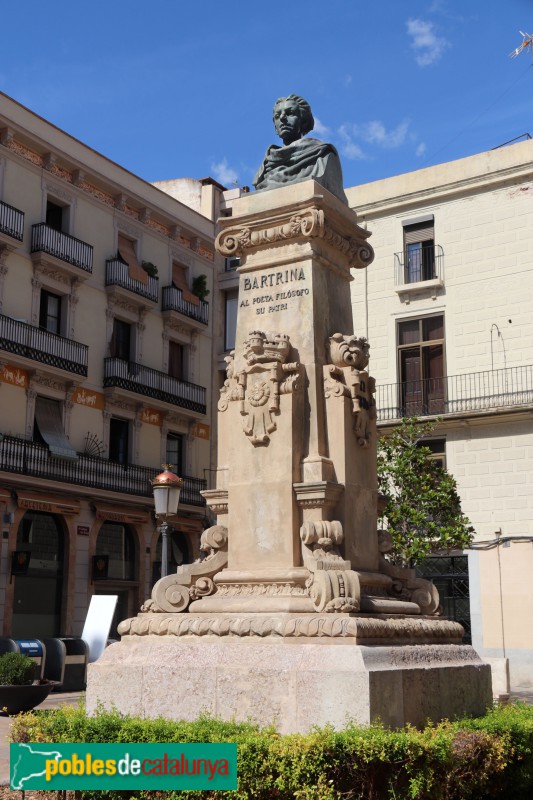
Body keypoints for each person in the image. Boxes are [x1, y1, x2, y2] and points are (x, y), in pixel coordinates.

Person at [253, 95, 348, 204]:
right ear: (275, 127)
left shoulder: (323, 155)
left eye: (290, 113)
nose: (282, 118)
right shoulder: (267, 163)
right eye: (277, 115)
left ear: (304, 122)